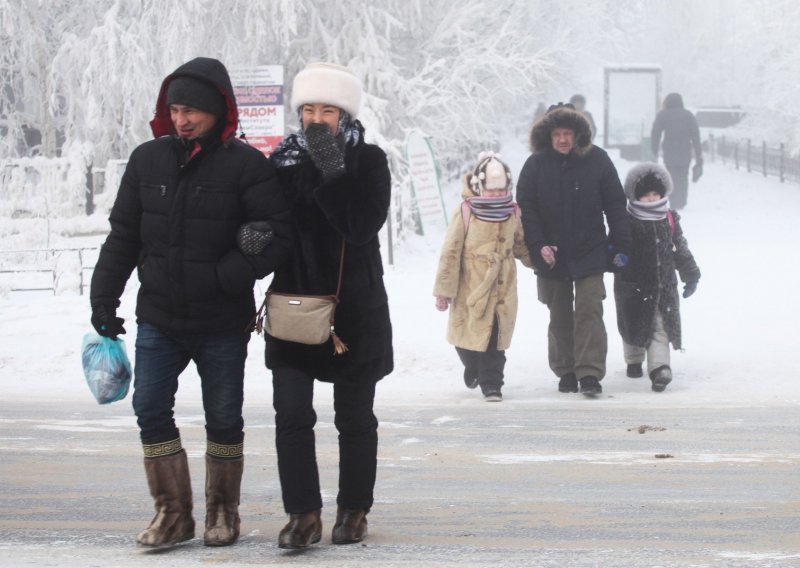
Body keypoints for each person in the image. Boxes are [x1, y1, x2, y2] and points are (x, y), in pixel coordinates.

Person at [89, 56, 292, 549]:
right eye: (174, 109)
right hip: (159, 315)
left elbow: (277, 234)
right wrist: (103, 296)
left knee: (223, 417)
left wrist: (227, 276)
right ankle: (173, 514)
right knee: (150, 408)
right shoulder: (146, 160)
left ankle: (223, 511)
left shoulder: (246, 165)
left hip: (221, 319)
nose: (181, 119)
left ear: (218, 111)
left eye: (191, 111)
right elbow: (124, 235)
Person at [265, 62, 393, 549]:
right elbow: (271, 230)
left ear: (345, 114)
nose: (318, 119)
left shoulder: (370, 162)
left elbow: (361, 226)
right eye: (309, 110)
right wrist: (252, 239)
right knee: (291, 415)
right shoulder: (279, 165)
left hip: (353, 313)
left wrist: (331, 170)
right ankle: (302, 514)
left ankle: (354, 510)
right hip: (294, 309)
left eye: (329, 110)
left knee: (354, 418)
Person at [516, 103, 631, 396]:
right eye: (557, 133)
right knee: (559, 314)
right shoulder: (535, 165)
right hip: (552, 254)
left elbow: (616, 205)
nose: (563, 139)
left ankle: (590, 372)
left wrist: (621, 244)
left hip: (590, 249)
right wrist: (538, 245)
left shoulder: (598, 161)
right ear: (549, 135)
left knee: (589, 309)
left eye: (568, 133)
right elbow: (527, 210)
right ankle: (566, 369)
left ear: (578, 134)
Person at [433, 152, 532, 402]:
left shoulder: (512, 212)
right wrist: (444, 290)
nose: (498, 195)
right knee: (466, 339)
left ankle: (492, 384)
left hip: (503, 285)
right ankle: (473, 366)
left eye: (502, 190)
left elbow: (520, 244)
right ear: (479, 187)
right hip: (471, 286)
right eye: (492, 190)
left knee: (496, 339)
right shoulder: (466, 211)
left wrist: (542, 261)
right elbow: (451, 252)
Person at [614, 162, 701, 392]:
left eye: (655, 194)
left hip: (664, 286)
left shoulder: (669, 218)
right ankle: (633, 359)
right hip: (633, 285)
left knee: (660, 326)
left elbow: (679, 248)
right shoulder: (627, 220)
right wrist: (617, 257)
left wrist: (690, 275)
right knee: (633, 325)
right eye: (645, 195)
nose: (651, 199)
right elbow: (616, 245)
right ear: (635, 196)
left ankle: (660, 368)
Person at [650, 93, 703, 209]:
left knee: (671, 175)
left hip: (669, 151)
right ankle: (682, 201)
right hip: (685, 150)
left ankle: (674, 201)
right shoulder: (688, 115)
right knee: (683, 175)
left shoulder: (663, 115)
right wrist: (698, 154)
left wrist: (654, 148)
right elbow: (695, 136)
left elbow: (655, 132)